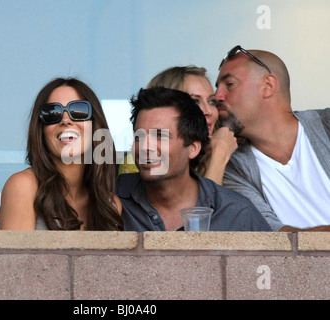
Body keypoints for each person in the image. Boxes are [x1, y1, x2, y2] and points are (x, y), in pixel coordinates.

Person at [117, 86, 271, 231]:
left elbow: (276, 259)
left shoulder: (235, 212)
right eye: (139, 136)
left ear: (193, 148)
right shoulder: (109, 198)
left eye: (160, 136)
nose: (145, 147)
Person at [215, 45, 330, 232]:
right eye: (218, 87)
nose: (217, 96)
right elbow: (275, 240)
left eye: (230, 84)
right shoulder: (235, 169)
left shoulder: (326, 125)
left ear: (268, 86)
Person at [0, 77, 123, 230]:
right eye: (52, 113)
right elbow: (16, 254)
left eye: (79, 110)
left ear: (96, 125)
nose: (65, 120)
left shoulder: (109, 204)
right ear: (40, 130)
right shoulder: (23, 186)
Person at [146, 66, 238, 185]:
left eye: (211, 102)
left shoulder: (225, 155)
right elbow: (207, 203)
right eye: (195, 101)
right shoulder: (147, 157)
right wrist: (220, 153)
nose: (208, 111)